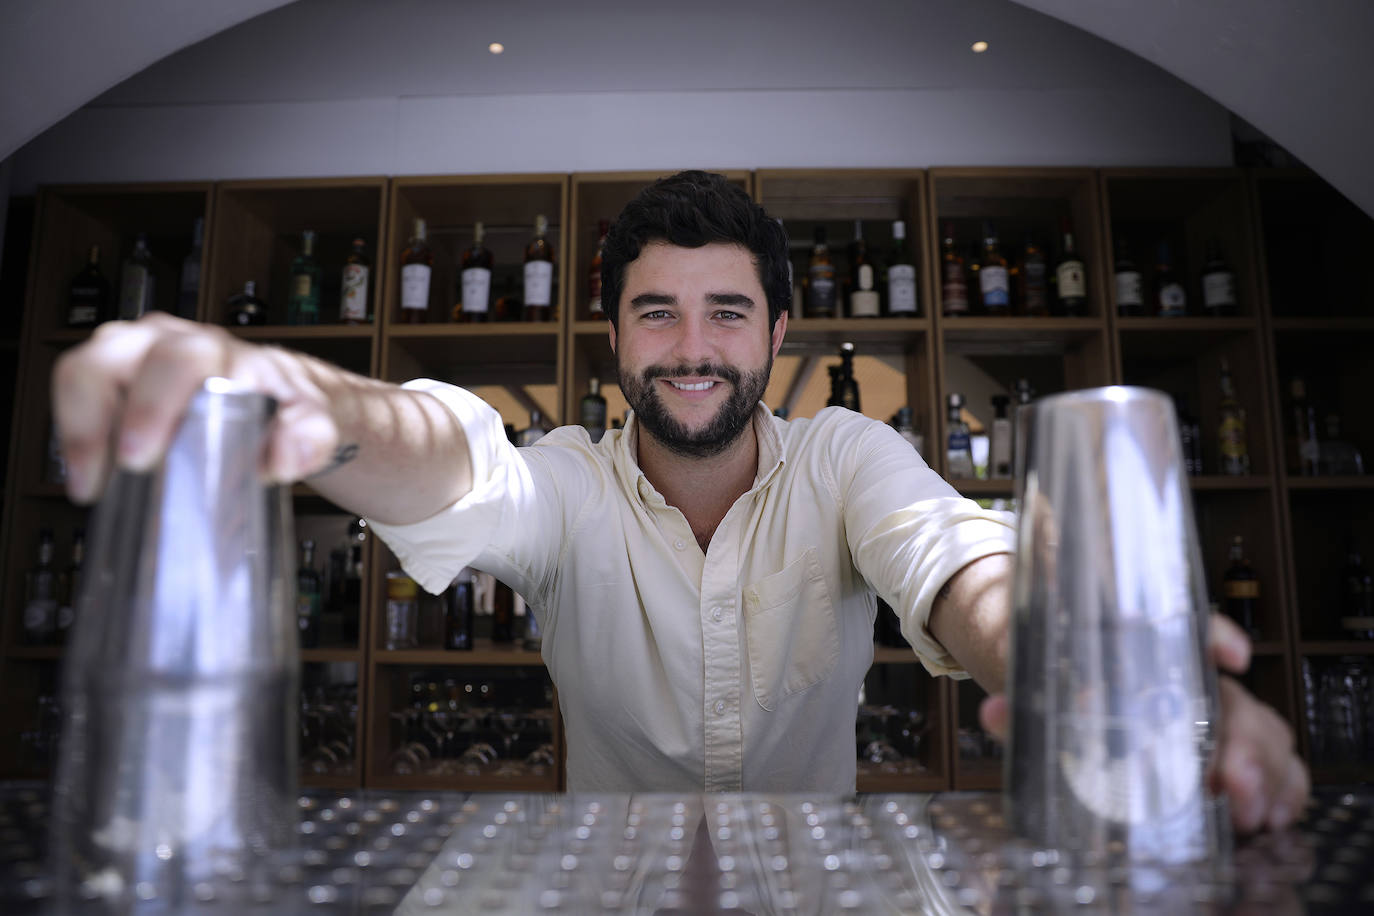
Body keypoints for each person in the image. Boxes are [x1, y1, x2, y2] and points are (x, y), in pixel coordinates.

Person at [52, 171, 1306, 831]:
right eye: (657, 312)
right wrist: (320, 401)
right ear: (613, 338)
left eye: (727, 313)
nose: (692, 346)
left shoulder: (848, 457)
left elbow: (959, 560)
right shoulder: (566, 489)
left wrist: (1078, 658)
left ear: (777, 335)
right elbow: (448, 451)